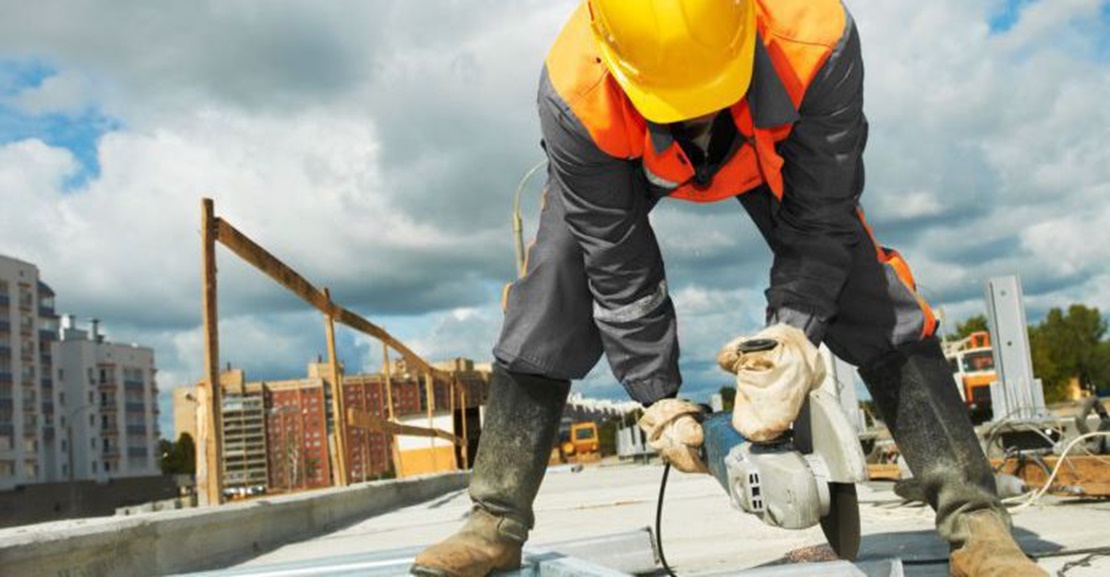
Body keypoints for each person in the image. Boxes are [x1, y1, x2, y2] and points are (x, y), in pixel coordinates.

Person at [411, 1, 1046, 576]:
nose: (695, 116)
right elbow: (618, 265)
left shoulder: (815, 38)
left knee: (866, 289)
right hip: (625, 159)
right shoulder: (577, 90)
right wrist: (657, 398)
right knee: (552, 284)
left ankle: (976, 524)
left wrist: (787, 340)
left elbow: (821, 218)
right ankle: (494, 519)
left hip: (771, 151)